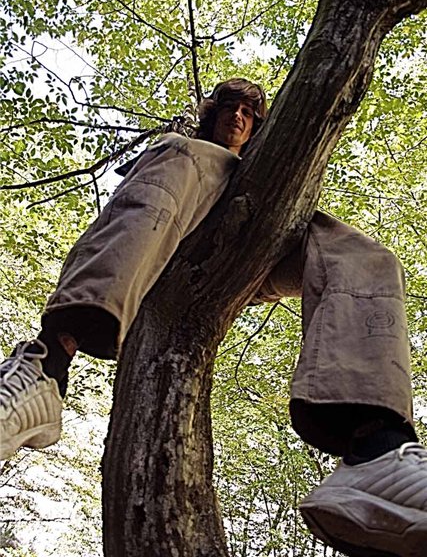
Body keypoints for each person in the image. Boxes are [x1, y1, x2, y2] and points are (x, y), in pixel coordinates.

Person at [0, 78, 425, 557]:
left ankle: (375, 449)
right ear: (212, 114)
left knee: (366, 258)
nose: (237, 116)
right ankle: (46, 366)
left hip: (255, 243)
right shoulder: (186, 152)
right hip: (174, 229)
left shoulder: (262, 170)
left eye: (248, 112)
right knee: (179, 154)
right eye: (229, 107)